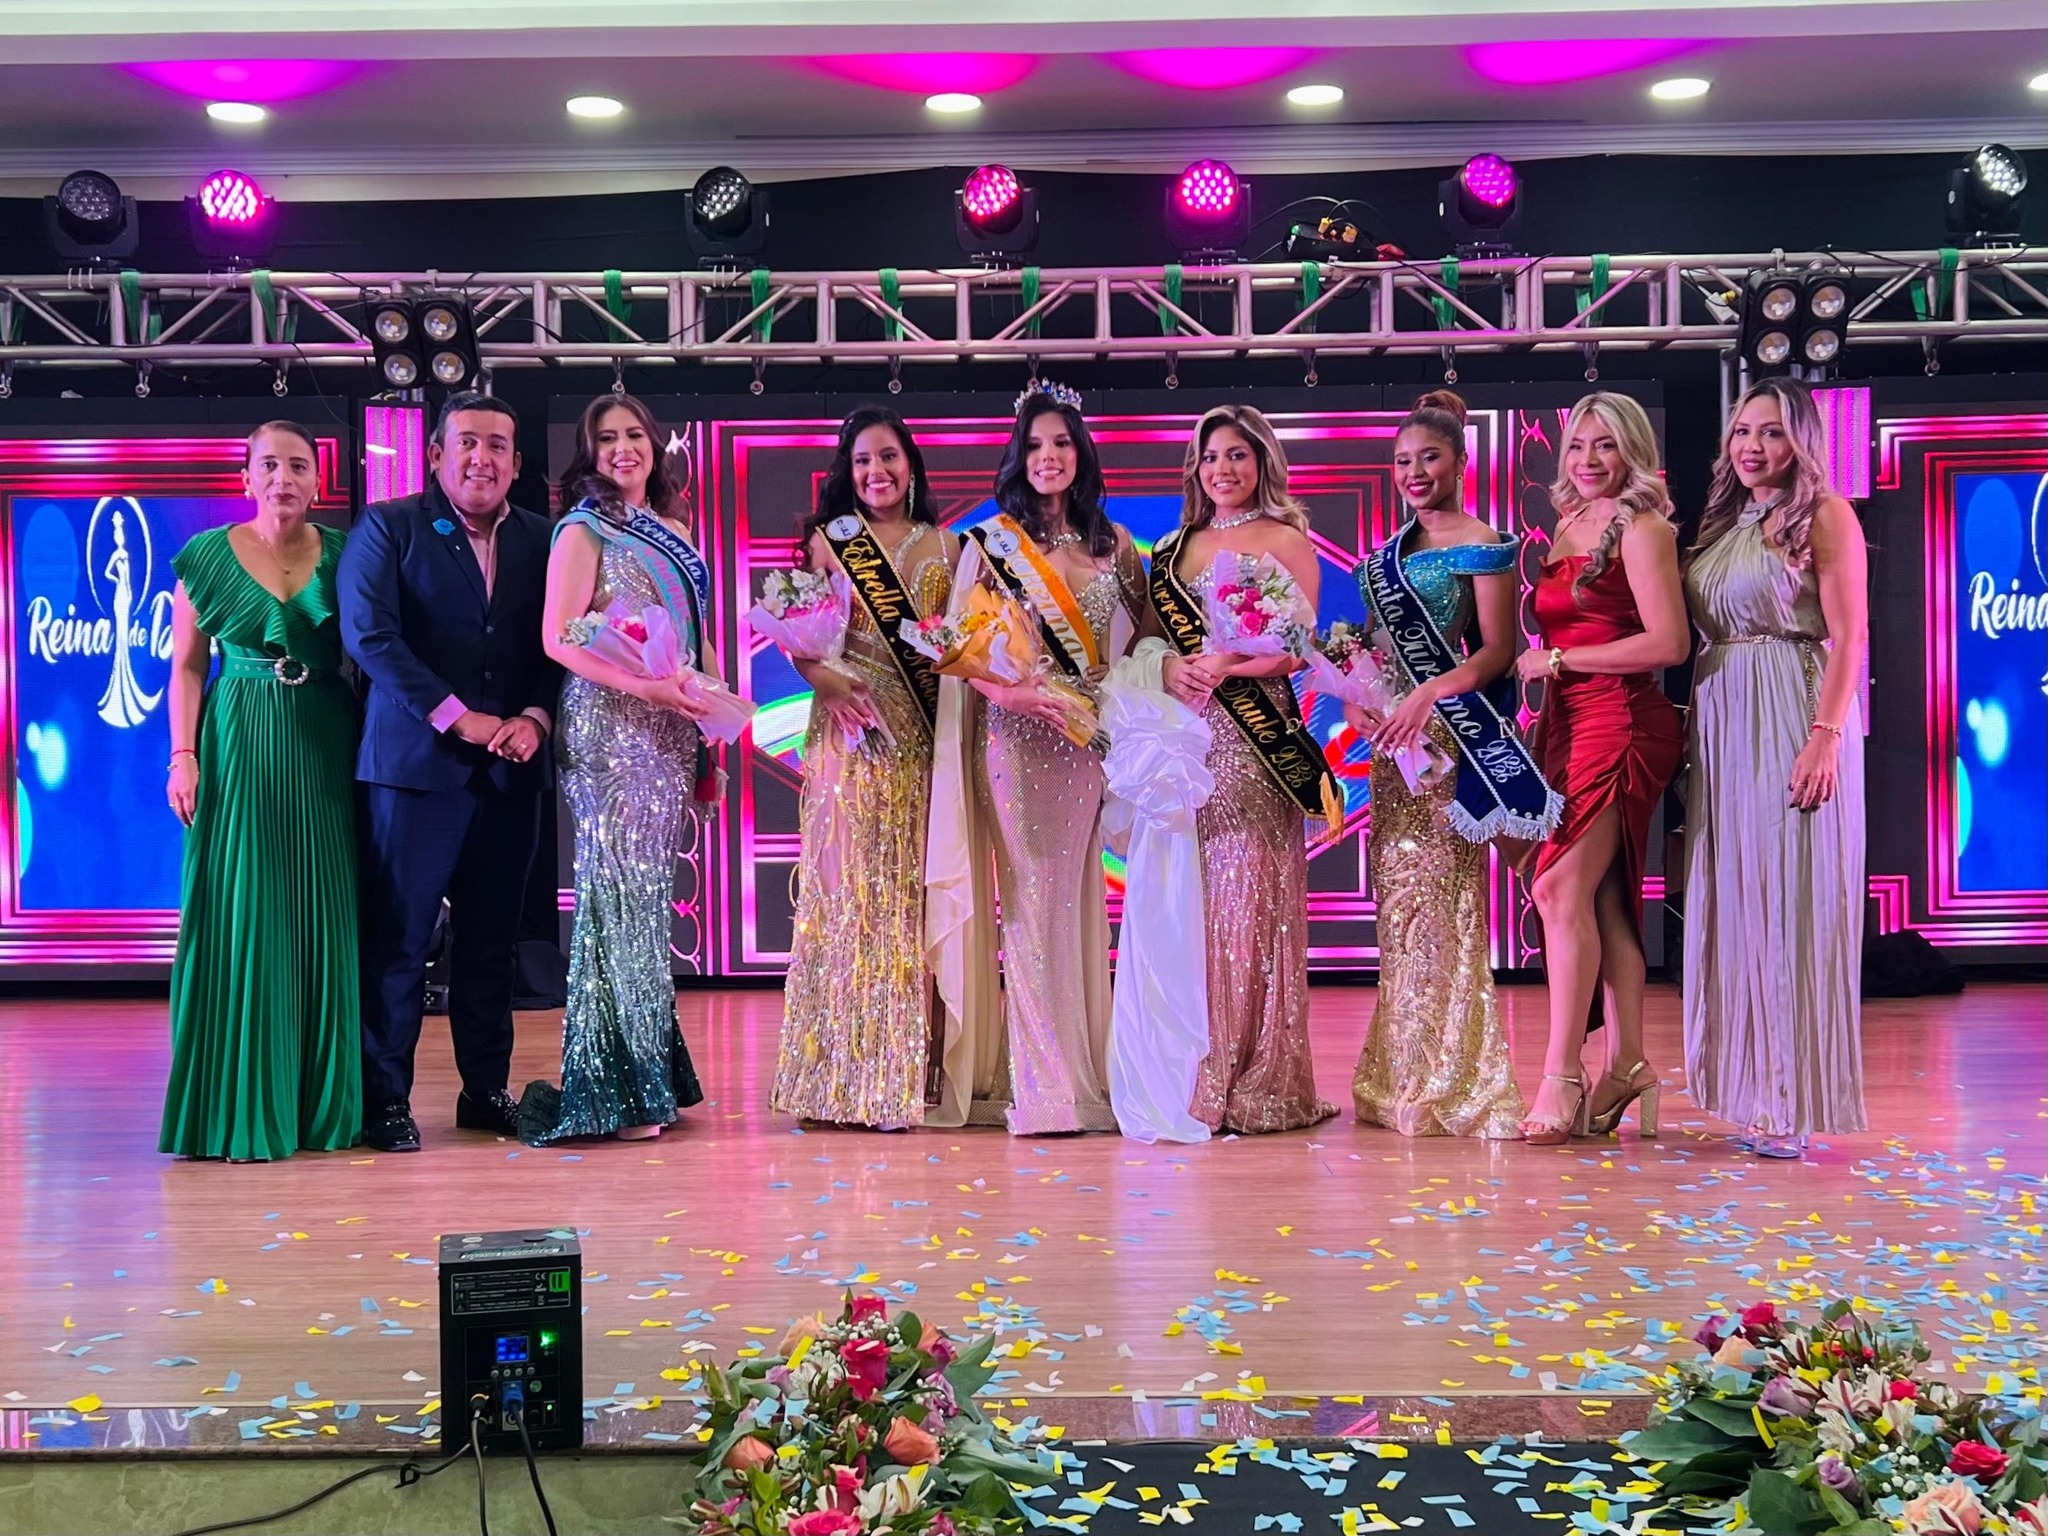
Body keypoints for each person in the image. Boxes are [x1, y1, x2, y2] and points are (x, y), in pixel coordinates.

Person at [338, 391, 560, 1153]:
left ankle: (485, 1092)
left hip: (510, 774)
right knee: (399, 942)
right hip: (412, 772)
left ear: (517, 464)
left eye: (497, 445)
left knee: (492, 944)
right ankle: (385, 1100)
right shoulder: (388, 526)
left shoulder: (545, 539)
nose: (481, 458)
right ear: (436, 454)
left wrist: (535, 718)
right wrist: (458, 716)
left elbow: (562, 643)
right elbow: (371, 637)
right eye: (467, 442)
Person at [927, 383, 1145, 1134]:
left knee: (1074, 904)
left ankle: (1076, 1072)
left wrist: (1126, 695)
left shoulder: (1114, 546)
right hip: (1015, 741)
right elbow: (959, 652)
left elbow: (1149, 638)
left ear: (1081, 454)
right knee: (1029, 902)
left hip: (1083, 745)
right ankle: (1046, 1087)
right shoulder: (990, 545)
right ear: (1018, 458)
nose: (1049, 456)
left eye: (1062, 443)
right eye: (1035, 445)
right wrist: (1015, 694)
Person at [517, 394, 716, 1144]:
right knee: (617, 899)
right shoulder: (583, 527)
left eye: (635, 435)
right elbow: (559, 639)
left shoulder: (675, 530)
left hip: (669, 729)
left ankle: (640, 1075)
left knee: (645, 903)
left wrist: (714, 715)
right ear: (589, 452)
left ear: (655, 445)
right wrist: (646, 689)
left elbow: (694, 638)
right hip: (609, 728)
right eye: (607, 438)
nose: (623, 448)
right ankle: (619, 1087)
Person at [159, 421, 360, 1160]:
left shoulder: (346, 552)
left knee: (322, 908)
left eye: (298, 465)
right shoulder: (205, 556)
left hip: (325, 737)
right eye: (269, 464)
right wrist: (183, 756)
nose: (283, 477)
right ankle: (241, 1105)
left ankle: (320, 1108)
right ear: (245, 477)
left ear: (317, 480)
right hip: (239, 736)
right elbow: (187, 666)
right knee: (247, 908)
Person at [1347, 391, 1542, 1140]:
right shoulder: (1387, 556)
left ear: (1460, 461)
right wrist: (1360, 700)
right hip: (1392, 741)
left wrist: (1430, 691)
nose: (1415, 472)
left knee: (1445, 902)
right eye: (1403, 461)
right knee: (1399, 906)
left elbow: (1496, 650)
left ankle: (1454, 1075)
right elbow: (1373, 646)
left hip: (1448, 738)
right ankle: (1399, 1072)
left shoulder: (1483, 542)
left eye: (1429, 457)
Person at [1682, 378, 1869, 1159]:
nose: (1753, 446)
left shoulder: (1826, 513)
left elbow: (1850, 635)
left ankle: (1790, 1101)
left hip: (1792, 708)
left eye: (1772, 432)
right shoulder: (1725, 521)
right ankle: (1750, 1088)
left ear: (1802, 442)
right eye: (1743, 431)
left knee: (1789, 900)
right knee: (1738, 904)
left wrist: (1825, 735)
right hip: (1724, 720)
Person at [1147, 405, 1342, 1135]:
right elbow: (1151, 642)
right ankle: (1194, 1062)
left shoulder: (1286, 538)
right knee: (1193, 903)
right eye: (1210, 457)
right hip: (1186, 736)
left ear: (1261, 461)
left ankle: (1252, 1075)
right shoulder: (1174, 547)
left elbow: (1298, 650)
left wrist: (1228, 662)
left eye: (1236, 454)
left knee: (1250, 895)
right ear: (1194, 469)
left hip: (1257, 737)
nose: (1222, 469)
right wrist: (1171, 669)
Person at [771, 408, 959, 1128]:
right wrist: (822, 679)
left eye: (888, 457)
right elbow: (802, 642)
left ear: (911, 465)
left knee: (908, 901)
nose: (876, 472)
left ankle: (903, 1076)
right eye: (861, 461)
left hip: (919, 739)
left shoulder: (947, 546)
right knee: (845, 897)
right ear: (846, 473)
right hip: (847, 736)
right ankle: (837, 1079)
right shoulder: (831, 540)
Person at [1512, 393, 1688, 1144]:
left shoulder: (1643, 529)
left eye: (1605, 445)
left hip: (1622, 721)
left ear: (1632, 451)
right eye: (1578, 445)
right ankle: (1628, 1062)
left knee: (1557, 888)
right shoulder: (1571, 522)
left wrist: (1559, 659)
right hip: (1568, 722)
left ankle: (1561, 1075)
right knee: (1605, 898)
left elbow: (1669, 644)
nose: (1588, 459)